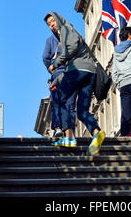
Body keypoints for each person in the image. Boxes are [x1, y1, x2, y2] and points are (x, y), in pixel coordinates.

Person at [44, 12, 105, 156]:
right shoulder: (67, 32)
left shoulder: (66, 29)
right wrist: (58, 80)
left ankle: (69, 137)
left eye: (53, 21)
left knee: (58, 99)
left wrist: (55, 64)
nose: (52, 25)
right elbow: (74, 62)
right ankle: (96, 133)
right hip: (88, 73)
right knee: (82, 110)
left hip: (78, 71)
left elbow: (71, 50)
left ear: (59, 19)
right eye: (49, 24)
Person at [42, 33, 77, 138]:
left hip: (58, 73)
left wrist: (50, 66)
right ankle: (70, 133)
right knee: (70, 104)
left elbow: (44, 57)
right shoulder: (73, 38)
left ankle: (58, 127)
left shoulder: (50, 40)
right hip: (72, 73)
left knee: (57, 102)